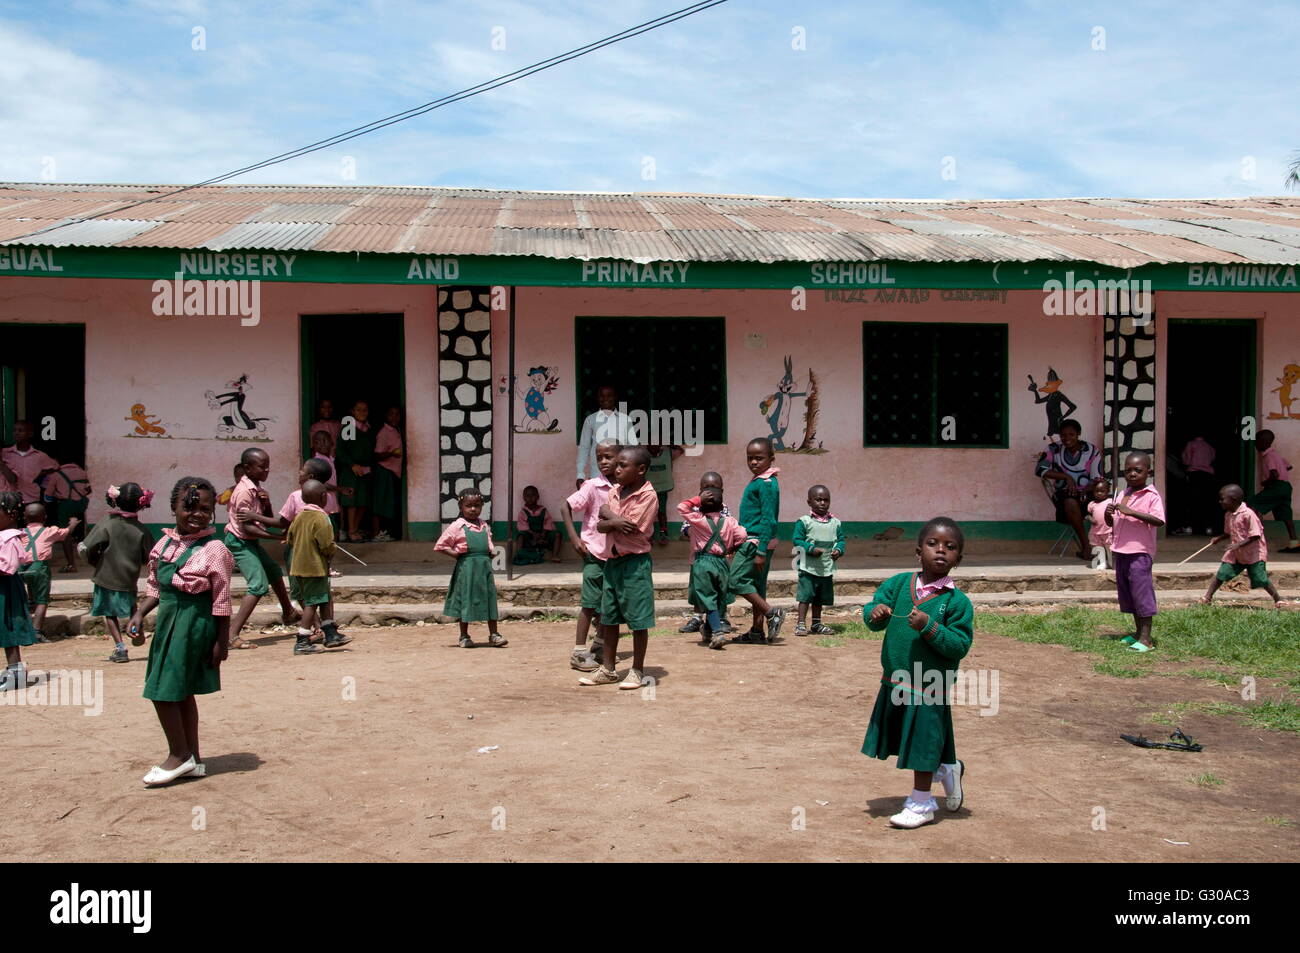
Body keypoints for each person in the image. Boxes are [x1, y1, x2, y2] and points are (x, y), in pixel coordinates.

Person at [861, 517, 973, 830]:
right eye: (933, 544)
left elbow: (959, 645)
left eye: (951, 547)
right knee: (911, 741)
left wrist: (929, 627)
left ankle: (921, 803)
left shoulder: (957, 602)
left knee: (921, 745)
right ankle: (946, 768)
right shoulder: (898, 585)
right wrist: (876, 613)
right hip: (896, 681)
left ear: (958, 560)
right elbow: (872, 612)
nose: (941, 551)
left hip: (930, 685)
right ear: (918, 551)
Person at [127, 477, 234, 786]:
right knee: (182, 692)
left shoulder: (215, 550)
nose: (197, 514)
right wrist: (140, 612)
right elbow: (155, 586)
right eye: (189, 507)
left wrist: (221, 642)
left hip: (194, 624)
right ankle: (194, 759)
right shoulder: (164, 544)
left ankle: (179, 755)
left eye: (205, 509)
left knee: (162, 690)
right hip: (168, 621)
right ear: (172, 508)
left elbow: (222, 598)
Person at [580, 447, 657, 688]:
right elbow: (601, 526)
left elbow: (632, 527)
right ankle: (609, 669)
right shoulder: (615, 491)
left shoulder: (648, 496)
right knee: (610, 617)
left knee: (638, 619)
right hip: (612, 563)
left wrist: (608, 515)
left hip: (635, 564)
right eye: (618, 464)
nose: (617, 468)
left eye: (623, 465)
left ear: (641, 469)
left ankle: (637, 670)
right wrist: (612, 519)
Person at [223, 448, 300, 649]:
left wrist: (265, 505)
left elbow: (265, 518)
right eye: (261, 466)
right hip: (239, 541)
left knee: (274, 570)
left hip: (250, 541)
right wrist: (277, 537)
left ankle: (289, 612)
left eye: (268, 466)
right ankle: (231, 634)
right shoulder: (243, 492)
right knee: (258, 585)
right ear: (247, 468)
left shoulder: (256, 489)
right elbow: (247, 527)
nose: (266, 470)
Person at [80, 482, 155, 663]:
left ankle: (120, 648)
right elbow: (151, 555)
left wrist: (94, 562)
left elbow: (86, 547)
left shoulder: (107, 524)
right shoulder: (141, 530)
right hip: (129, 579)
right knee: (132, 607)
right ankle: (136, 630)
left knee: (109, 613)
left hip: (106, 576)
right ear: (141, 503)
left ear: (115, 500)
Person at [562, 439, 619, 672]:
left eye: (608, 457)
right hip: (594, 554)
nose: (603, 462)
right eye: (599, 458)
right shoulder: (592, 486)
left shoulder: (626, 487)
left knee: (610, 604)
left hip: (616, 557)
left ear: (620, 459)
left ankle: (600, 644)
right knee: (589, 604)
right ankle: (578, 651)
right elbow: (565, 507)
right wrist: (575, 539)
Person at [726, 438, 786, 644]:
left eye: (759, 458)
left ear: (771, 459)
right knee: (757, 586)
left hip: (755, 543)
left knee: (736, 581)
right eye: (750, 458)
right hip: (755, 541)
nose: (753, 462)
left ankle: (772, 613)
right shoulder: (761, 481)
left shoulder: (766, 484)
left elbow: (769, 520)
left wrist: (760, 551)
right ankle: (756, 631)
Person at [1106, 452, 1166, 653]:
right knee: (1129, 594)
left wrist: (1132, 512)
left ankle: (1147, 638)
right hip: (1121, 550)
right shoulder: (1124, 493)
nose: (1132, 474)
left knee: (1141, 593)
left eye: (1137, 471)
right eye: (1128, 470)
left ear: (1148, 472)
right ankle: (1138, 632)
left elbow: (1159, 520)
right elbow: (1114, 521)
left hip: (1139, 552)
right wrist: (1109, 515)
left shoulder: (1151, 495)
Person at [285, 480, 352, 655]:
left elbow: (290, 538)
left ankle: (330, 634)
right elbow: (326, 544)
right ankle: (302, 641)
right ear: (323, 497)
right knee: (312, 603)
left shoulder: (299, 517)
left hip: (298, 568)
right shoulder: (321, 518)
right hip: (314, 568)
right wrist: (332, 551)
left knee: (322, 598)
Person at [435, 489, 506, 648]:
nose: (473, 509)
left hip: (484, 567)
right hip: (466, 569)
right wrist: (455, 554)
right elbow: (440, 545)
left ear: (482, 507)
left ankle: (494, 634)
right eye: (468, 506)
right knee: (465, 599)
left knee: (489, 598)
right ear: (461, 507)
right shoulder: (457, 526)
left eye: (477, 505)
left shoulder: (484, 525)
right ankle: (464, 636)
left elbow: (489, 545)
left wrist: (491, 554)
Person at [677, 486, 745, 647]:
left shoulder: (697, 519)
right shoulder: (730, 521)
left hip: (703, 562)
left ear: (700, 507)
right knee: (718, 596)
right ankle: (708, 629)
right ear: (722, 508)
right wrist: (731, 548)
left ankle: (717, 632)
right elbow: (742, 535)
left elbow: (681, 507)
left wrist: (697, 499)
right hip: (722, 562)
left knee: (707, 597)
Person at [1201, 485, 1289, 607]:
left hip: (1254, 553)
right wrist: (1219, 538)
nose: (1220, 501)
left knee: (1261, 578)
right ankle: (1207, 597)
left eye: (1223, 499)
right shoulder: (1228, 515)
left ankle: (1278, 599)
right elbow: (1229, 532)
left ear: (1234, 499)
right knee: (1222, 574)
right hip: (1237, 553)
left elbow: (1256, 535)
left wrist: (1238, 544)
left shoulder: (1248, 514)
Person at [1034, 419, 1103, 560]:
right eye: (1063, 435)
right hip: (1064, 498)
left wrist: (1086, 489)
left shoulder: (1092, 451)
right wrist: (1066, 477)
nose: (1067, 439)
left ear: (1078, 434)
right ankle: (1086, 547)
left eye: (1071, 434)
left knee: (1106, 506)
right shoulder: (1054, 449)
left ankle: (1110, 547)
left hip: (1087, 495)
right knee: (1070, 502)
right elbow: (1039, 469)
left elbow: (1097, 478)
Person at [19, 502, 78, 642]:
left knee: (24, 597)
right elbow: (66, 532)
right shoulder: (49, 531)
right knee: (42, 601)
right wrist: (73, 523)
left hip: (21, 568)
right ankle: (36, 632)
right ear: (45, 517)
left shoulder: (20, 532)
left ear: (24, 518)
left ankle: (22, 629)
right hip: (40, 567)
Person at [792, 485, 844, 636]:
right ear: (809, 502)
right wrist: (810, 549)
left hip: (825, 568)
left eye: (826, 500)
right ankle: (801, 624)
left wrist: (838, 550)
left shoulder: (835, 523)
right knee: (805, 596)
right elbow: (797, 540)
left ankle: (816, 623)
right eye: (818, 500)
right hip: (808, 567)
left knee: (819, 598)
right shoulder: (804, 521)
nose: (822, 503)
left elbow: (840, 540)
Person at [0, 491, 37, 693]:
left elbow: (9, 567)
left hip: (6, 590)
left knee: (9, 629)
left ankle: (16, 673)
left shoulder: (10, 538)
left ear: (11, 515)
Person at [576, 385, 640, 486]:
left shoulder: (625, 419)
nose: (605, 398)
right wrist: (580, 475)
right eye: (602, 396)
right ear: (598, 398)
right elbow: (584, 447)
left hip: (621, 473)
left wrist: (634, 473)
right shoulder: (590, 420)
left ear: (615, 397)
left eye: (609, 395)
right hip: (597, 473)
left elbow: (633, 448)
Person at [1249, 430, 1298, 553]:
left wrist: (1265, 483)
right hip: (1286, 487)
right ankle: (1294, 543)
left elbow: (1274, 474)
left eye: (1257, 442)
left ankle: (1254, 538)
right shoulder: (1276, 454)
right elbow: (1288, 466)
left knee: (1252, 504)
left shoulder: (1268, 456)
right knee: (1287, 516)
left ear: (1264, 442)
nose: (1255, 444)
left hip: (1277, 486)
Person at [335, 400, 376, 543]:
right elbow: (340, 450)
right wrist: (352, 464)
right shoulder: (349, 427)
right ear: (352, 411)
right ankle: (351, 531)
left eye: (365, 410)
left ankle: (356, 529)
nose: (362, 413)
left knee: (363, 501)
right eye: (359, 410)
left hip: (366, 469)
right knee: (351, 501)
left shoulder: (368, 428)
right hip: (351, 469)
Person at [40, 461, 90, 572]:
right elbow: (88, 489)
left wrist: (51, 501)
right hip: (81, 505)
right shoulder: (82, 472)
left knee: (66, 534)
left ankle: (71, 565)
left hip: (66, 505)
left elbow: (47, 496)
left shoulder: (56, 475)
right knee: (76, 530)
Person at [1, 420, 59, 504]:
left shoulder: (39, 456)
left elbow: (56, 467)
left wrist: (40, 476)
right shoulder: (4, 453)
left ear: (30, 434)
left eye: (20, 431)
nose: (16, 433)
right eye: (15, 430)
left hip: (31, 498)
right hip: (10, 500)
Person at [371, 405, 404, 541]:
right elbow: (377, 455)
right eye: (391, 414)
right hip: (384, 470)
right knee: (380, 503)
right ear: (386, 416)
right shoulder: (384, 432)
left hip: (392, 471)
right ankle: (376, 533)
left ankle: (385, 533)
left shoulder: (396, 430)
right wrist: (391, 453)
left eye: (397, 414)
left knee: (388, 503)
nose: (394, 417)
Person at [1179, 435, 1218, 535]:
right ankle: (1207, 527)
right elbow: (1213, 458)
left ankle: (1191, 527)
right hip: (1208, 475)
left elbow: (1186, 460)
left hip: (1194, 474)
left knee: (1192, 501)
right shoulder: (1209, 447)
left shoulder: (1191, 444)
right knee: (1206, 501)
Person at [645, 445, 682, 544]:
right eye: (651, 442)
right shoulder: (643, 455)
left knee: (661, 512)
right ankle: (649, 535)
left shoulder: (667, 453)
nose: (654, 445)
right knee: (648, 512)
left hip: (662, 488)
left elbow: (680, 450)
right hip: (647, 490)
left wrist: (669, 444)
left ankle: (663, 533)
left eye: (657, 442)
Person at [514, 485, 560, 565]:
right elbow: (522, 527)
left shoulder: (543, 510)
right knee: (520, 535)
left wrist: (543, 534)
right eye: (527, 496)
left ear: (538, 497)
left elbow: (548, 523)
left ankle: (555, 555)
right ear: (524, 498)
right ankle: (520, 555)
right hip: (530, 537)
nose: (530, 498)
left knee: (558, 534)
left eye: (533, 495)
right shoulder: (523, 512)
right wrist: (534, 535)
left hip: (543, 535)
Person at [1085, 478, 1114, 569]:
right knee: (1099, 548)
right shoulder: (1092, 504)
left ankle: (1111, 562)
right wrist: (1090, 518)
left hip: (1108, 530)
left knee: (1109, 548)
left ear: (1108, 491)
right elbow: (1087, 516)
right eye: (1097, 491)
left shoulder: (1110, 502)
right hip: (1096, 531)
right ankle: (1102, 563)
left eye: (1102, 491)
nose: (1099, 493)